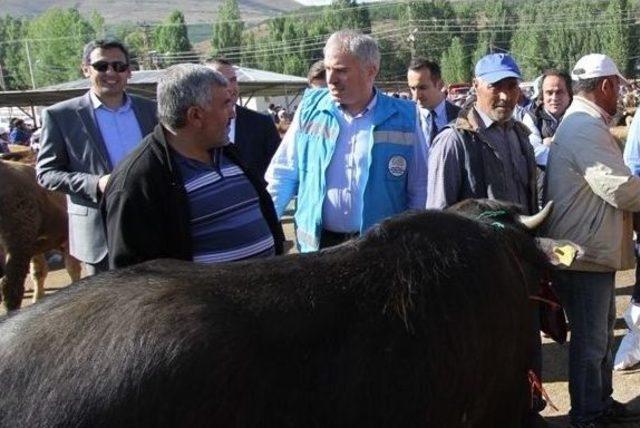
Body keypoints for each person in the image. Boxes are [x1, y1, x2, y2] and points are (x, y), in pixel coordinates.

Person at [103, 64, 284, 269]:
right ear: (195, 115)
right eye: (226, 105)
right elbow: (132, 277)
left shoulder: (227, 153)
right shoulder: (138, 180)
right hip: (206, 301)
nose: (233, 114)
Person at [541, 54, 640, 428]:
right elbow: (619, 189)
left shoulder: (585, 122)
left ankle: (599, 401)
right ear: (606, 86)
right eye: (618, 85)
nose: (621, 93)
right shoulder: (584, 125)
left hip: (588, 250)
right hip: (583, 254)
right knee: (591, 341)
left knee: (597, 335)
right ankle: (587, 412)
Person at [265, 30, 428, 252]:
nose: (331, 79)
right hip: (318, 250)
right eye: (328, 69)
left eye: (341, 71)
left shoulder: (405, 117)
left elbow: (419, 188)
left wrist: (414, 242)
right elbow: (283, 174)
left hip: (380, 251)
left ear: (371, 71)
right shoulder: (309, 110)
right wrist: (264, 229)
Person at [36, 39, 157, 275]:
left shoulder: (150, 110)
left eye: (119, 66)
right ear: (86, 69)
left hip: (150, 223)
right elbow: (46, 174)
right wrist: (96, 184)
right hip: (98, 233)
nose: (111, 72)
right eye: (102, 66)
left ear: (129, 71)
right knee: (105, 308)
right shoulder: (61, 116)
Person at [426, 53, 537, 215]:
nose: (505, 96)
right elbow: (437, 217)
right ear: (476, 85)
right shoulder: (453, 141)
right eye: (495, 86)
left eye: (512, 86)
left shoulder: (520, 135)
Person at [205, 58, 281, 180]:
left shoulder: (261, 124)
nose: (230, 87)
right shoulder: (197, 127)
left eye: (233, 80)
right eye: (222, 81)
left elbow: (278, 172)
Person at [522, 69, 573, 168]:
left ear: (569, 94)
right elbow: (535, 152)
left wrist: (551, 143)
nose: (554, 98)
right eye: (549, 93)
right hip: (544, 181)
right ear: (542, 95)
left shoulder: (579, 116)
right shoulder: (532, 118)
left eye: (559, 92)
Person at [406, 57, 461, 147]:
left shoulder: (461, 117)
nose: (416, 96)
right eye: (412, 88)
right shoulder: (404, 119)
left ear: (439, 85)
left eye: (422, 88)